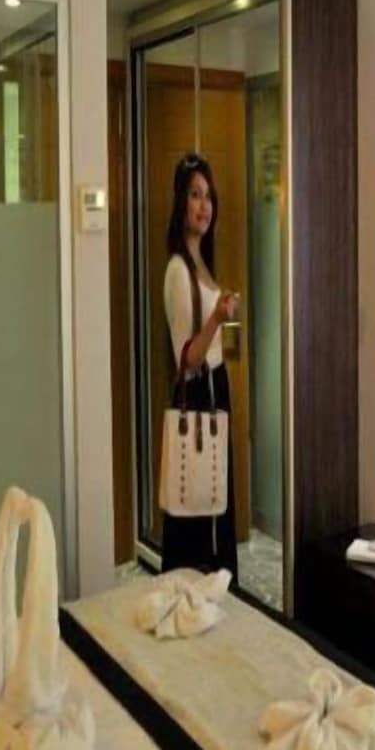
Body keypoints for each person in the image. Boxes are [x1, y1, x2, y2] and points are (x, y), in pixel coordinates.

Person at [162, 153, 239, 576]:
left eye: (208, 196)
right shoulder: (178, 270)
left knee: (214, 496)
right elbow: (187, 358)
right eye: (194, 195)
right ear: (181, 203)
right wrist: (217, 318)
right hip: (199, 392)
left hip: (216, 388)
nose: (204, 206)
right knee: (198, 501)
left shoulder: (201, 263)